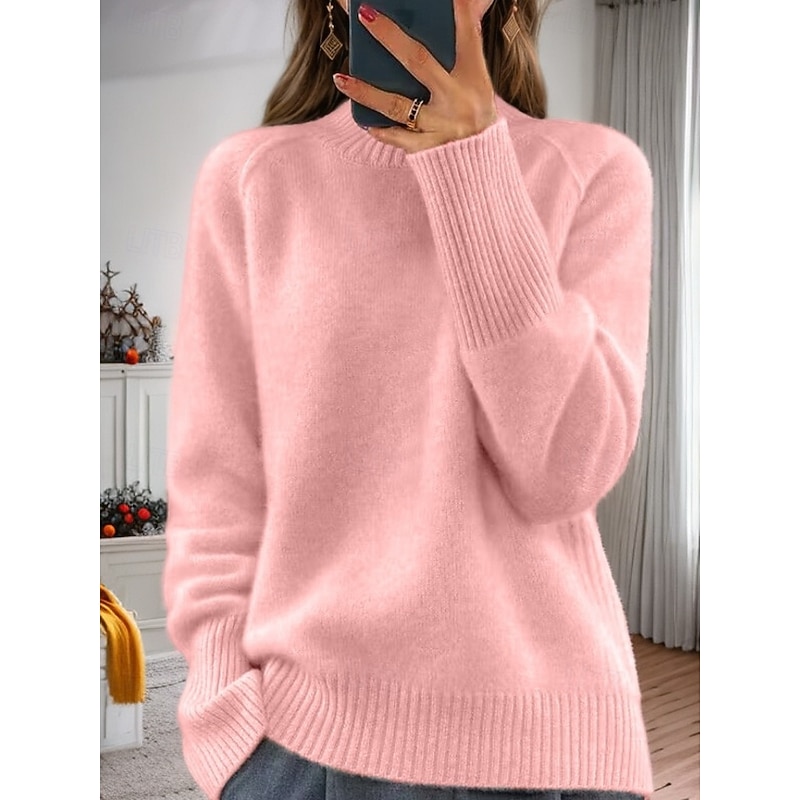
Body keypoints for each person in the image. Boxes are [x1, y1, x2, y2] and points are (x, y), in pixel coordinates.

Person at [162, 0, 655, 798]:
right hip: (309, 747)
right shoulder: (251, 180)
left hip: (554, 750)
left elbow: (564, 472)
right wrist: (228, 731)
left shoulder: (595, 170)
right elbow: (217, 487)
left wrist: (472, 166)